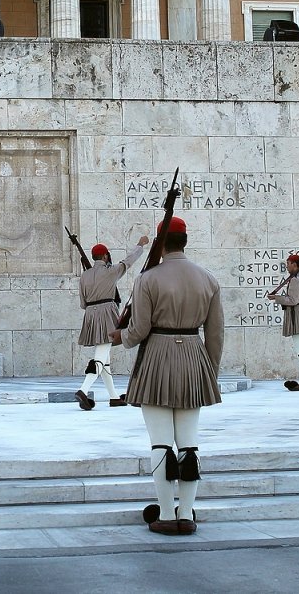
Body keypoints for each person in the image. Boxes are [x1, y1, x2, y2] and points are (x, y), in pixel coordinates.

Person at [110, 217, 223, 536]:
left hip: (157, 357)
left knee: (161, 443)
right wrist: (209, 371)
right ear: (185, 240)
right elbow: (215, 335)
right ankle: (186, 513)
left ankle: (164, 512)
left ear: (161, 242)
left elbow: (140, 329)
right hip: (193, 357)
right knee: (189, 444)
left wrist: (122, 337)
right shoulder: (208, 278)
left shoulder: (148, 279)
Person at [74, 235, 149, 410]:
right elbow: (128, 262)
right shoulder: (111, 271)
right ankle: (83, 390)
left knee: (104, 357)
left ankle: (114, 397)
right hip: (107, 313)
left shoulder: (84, 275)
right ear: (106, 256)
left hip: (91, 315)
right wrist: (140, 245)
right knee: (100, 355)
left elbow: (82, 303)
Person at [267, 253, 299, 392]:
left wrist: (276, 298)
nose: (286, 266)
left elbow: (293, 300)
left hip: (298, 315)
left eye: (288, 263)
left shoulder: (295, 280)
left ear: (294, 264)